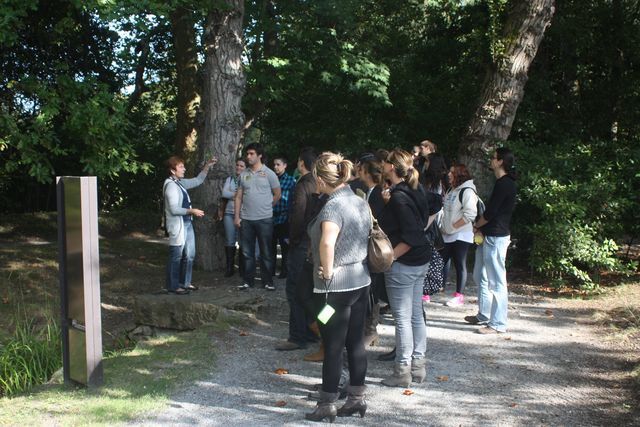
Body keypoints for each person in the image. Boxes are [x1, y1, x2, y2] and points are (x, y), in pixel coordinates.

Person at [305, 152, 371, 422]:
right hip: (361, 280)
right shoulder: (359, 200)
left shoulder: (332, 206)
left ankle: (327, 404)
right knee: (355, 342)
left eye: (314, 180)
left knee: (332, 344)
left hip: (335, 287)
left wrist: (328, 271)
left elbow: (327, 242)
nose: (314, 184)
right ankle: (356, 399)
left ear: (321, 179)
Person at [379, 149, 431, 387]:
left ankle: (402, 371)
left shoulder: (400, 197)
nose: (382, 165)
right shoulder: (415, 189)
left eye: (386, 162)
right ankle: (418, 367)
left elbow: (410, 235)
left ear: (392, 167)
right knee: (414, 315)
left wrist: (389, 258)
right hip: (420, 260)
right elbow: (430, 209)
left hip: (405, 262)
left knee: (402, 319)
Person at [467, 147, 517, 334]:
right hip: (490, 235)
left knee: (496, 281)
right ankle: (484, 315)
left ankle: (498, 324)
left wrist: (477, 225)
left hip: (496, 237)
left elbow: (491, 213)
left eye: (493, 157)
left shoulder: (505, 184)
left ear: (500, 161)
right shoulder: (502, 182)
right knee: (480, 275)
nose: (490, 160)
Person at [275, 147, 319, 351]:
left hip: (301, 243)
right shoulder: (318, 183)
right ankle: (311, 331)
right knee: (309, 291)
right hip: (312, 243)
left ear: (302, 163)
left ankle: (297, 335)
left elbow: (298, 215)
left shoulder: (303, 185)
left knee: (294, 290)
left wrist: (291, 240)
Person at [163, 155, 217, 295]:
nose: (184, 169)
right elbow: (174, 209)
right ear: (173, 170)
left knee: (190, 254)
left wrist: (207, 166)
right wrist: (191, 211)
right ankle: (173, 286)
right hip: (178, 225)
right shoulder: (170, 186)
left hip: (187, 223)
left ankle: (185, 283)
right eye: (181, 167)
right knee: (176, 256)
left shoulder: (179, 183)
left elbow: (198, 180)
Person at [234, 143, 281, 291]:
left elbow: (277, 194)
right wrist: (236, 217)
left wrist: (267, 207)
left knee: (266, 252)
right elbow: (238, 197)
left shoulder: (269, 173)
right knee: (247, 252)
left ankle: (268, 281)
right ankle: (248, 281)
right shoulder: (243, 174)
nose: (248, 157)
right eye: (247, 154)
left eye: (251, 154)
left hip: (264, 219)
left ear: (260, 155)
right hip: (246, 219)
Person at [440, 163, 478, 307]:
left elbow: (470, 214)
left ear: (459, 175)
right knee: (439, 261)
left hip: (462, 234)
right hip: (448, 234)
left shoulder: (467, 191)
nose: (449, 174)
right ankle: (427, 291)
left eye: (452, 172)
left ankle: (459, 296)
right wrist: (446, 226)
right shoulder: (451, 189)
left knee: (459, 264)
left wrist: (454, 226)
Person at [219, 159, 246, 277]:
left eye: (242, 166)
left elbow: (248, 195)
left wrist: (233, 194)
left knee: (243, 241)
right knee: (230, 240)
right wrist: (237, 195)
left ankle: (242, 268)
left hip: (244, 214)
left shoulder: (248, 179)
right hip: (229, 214)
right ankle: (230, 268)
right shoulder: (230, 179)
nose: (239, 167)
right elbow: (224, 193)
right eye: (237, 165)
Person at [272, 156, 296, 279]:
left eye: (278, 164)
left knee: (284, 246)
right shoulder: (270, 180)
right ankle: (270, 270)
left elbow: (293, 200)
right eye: (274, 165)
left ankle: (285, 270)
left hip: (284, 217)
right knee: (270, 246)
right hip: (271, 217)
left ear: (285, 165)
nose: (275, 167)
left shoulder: (291, 181)